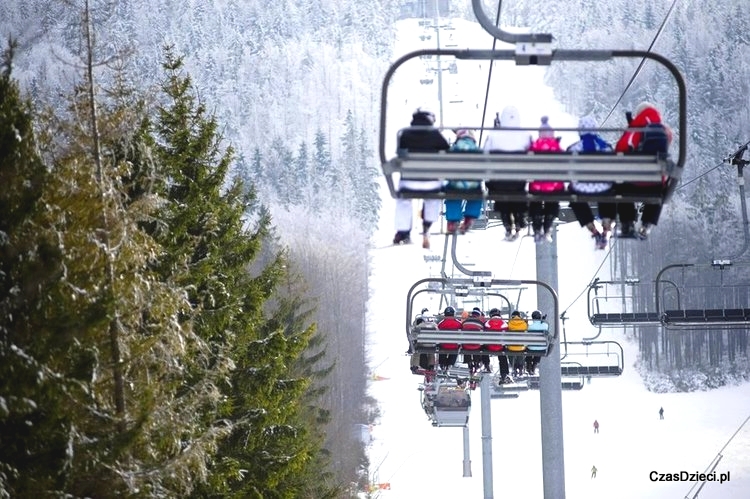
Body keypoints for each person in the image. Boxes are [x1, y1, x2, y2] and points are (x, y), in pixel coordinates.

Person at [394, 109, 450, 248]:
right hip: (431, 183)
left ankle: (403, 232)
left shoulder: (405, 134)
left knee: (403, 200)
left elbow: (401, 154)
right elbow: (447, 151)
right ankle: (427, 226)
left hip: (409, 182)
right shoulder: (435, 134)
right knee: (432, 198)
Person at [614, 102, 670, 239]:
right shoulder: (664, 130)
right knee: (659, 192)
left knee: (619, 185)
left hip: (633, 183)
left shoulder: (637, 128)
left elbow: (621, 148)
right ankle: (647, 223)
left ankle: (627, 222)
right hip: (655, 185)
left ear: (639, 114)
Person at [566, 116, 617, 249]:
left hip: (580, 188)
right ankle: (606, 227)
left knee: (573, 194)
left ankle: (592, 228)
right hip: (603, 188)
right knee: (609, 188)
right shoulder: (606, 148)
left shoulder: (573, 149)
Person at [483, 106, 532, 241]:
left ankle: (508, 226)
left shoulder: (493, 135)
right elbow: (531, 156)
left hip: (498, 182)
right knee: (517, 193)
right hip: (518, 182)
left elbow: (485, 155)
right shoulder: (525, 135)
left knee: (502, 197)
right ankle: (519, 220)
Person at [528, 129, 565, 243]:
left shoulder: (533, 146)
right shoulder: (557, 147)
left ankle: (537, 228)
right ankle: (547, 226)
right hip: (553, 188)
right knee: (553, 200)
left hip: (536, 188)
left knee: (534, 200)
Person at [445, 129, 484, 234]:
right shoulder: (478, 151)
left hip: (455, 185)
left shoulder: (452, 150)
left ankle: (452, 221)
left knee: (452, 195)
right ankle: (469, 218)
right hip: (473, 187)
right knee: (477, 196)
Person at [485, 308, 510, 383]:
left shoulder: (488, 323)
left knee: (482, 348)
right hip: (500, 347)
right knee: (503, 357)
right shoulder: (504, 323)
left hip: (490, 347)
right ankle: (504, 374)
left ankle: (486, 364)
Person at [461, 307, 488, 375]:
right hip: (476, 346)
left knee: (466, 345)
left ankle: (469, 364)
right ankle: (476, 362)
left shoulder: (465, 322)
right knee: (478, 345)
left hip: (466, 346)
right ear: (478, 316)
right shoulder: (480, 323)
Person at [437, 306, 462, 371]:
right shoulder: (458, 323)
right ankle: (450, 364)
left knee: (442, 346)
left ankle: (442, 364)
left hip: (443, 345)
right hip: (454, 346)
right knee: (455, 347)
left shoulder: (441, 323)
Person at [506, 310, 529, 376]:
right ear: (519, 316)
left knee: (510, 350)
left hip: (511, 347)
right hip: (521, 347)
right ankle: (520, 367)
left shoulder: (509, 323)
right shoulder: (524, 324)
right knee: (521, 349)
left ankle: (514, 367)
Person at [526, 310, 548, 375]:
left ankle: (529, 365)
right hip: (541, 347)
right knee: (539, 348)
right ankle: (534, 366)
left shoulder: (530, 327)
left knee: (529, 349)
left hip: (531, 348)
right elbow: (544, 326)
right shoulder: (545, 325)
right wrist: (543, 321)